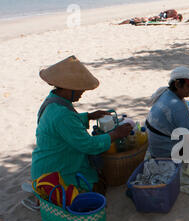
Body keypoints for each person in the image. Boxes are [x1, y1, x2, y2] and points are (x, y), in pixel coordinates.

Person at [31, 56, 132, 194]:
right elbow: (88, 145)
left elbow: (68, 124)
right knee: (99, 187)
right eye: (80, 90)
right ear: (68, 89)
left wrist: (89, 116)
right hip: (54, 173)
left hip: (48, 164)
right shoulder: (62, 115)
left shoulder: (53, 100)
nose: (82, 93)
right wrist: (116, 134)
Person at [145, 66, 189, 158]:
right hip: (165, 152)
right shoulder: (177, 106)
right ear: (177, 84)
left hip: (155, 145)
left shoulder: (165, 93)